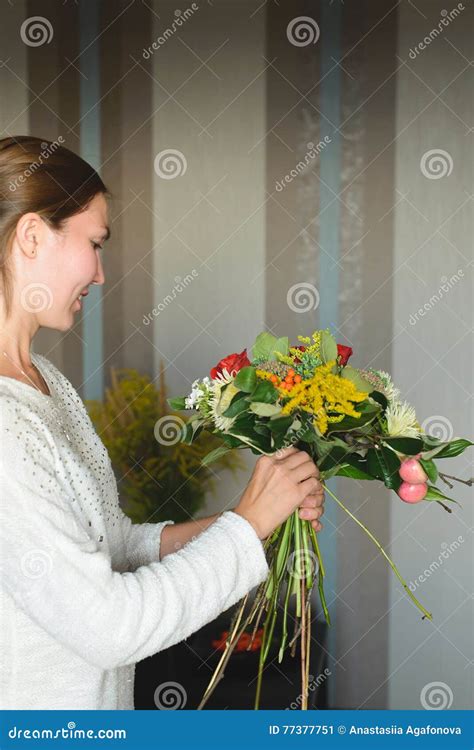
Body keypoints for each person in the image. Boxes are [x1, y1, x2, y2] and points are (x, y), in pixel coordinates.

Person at [0, 136, 325, 710]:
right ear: (30, 236)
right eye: (94, 243)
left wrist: (255, 514)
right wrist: (246, 528)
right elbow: (107, 626)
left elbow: (117, 547)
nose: (99, 274)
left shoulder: (46, 382)